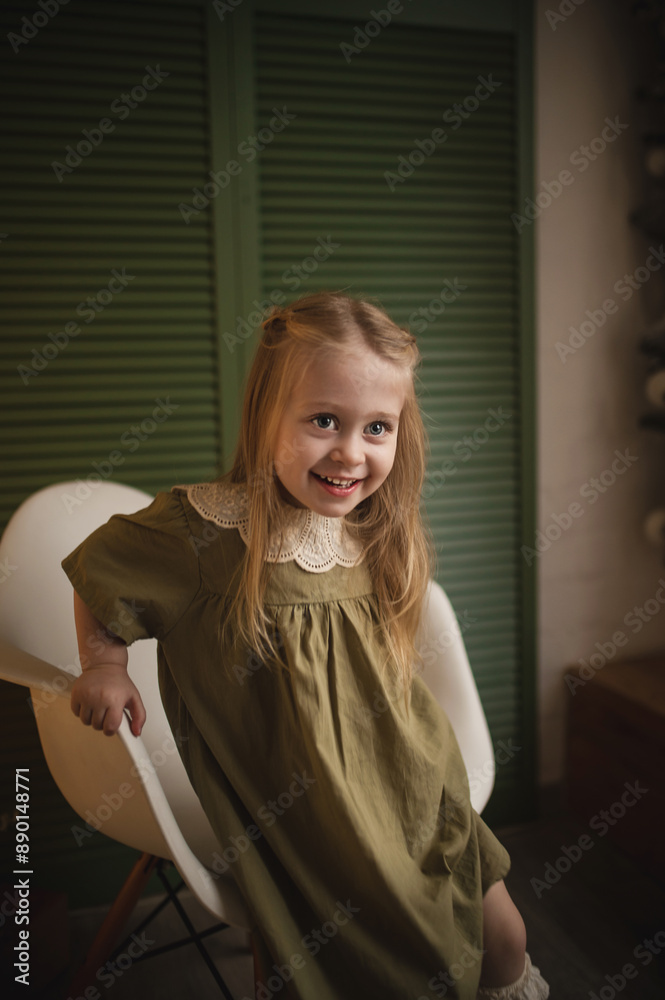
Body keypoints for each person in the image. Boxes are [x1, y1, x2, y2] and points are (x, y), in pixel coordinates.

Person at [63, 291, 549, 1000]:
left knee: (505, 940)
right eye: (324, 420)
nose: (350, 452)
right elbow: (96, 567)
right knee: (385, 960)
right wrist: (103, 663)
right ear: (266, 416)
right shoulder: (205, 532)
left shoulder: (371, 526)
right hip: (313, 813)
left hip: (413, 778)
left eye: (377, 427)